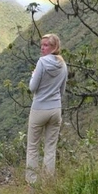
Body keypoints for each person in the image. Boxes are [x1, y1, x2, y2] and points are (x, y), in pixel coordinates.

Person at [25, 34, 68, 185]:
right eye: (41, 45)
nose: (42, 48)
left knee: (32, 147)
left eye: (46, 45)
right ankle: (48, 183)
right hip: (56, 109)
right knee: (50, 148)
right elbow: (62, 91)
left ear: (54, 47)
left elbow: (32, 87)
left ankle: (32, 184)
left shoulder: (42, 62)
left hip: (39, 109)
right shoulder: (63, 64)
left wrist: (33, 76)